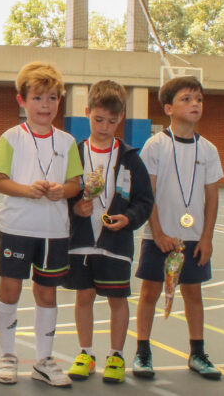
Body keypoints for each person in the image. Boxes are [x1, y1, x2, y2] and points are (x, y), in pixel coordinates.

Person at [0, 61, 83, 387]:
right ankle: (8, 355)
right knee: (10, 290)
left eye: (53, 98)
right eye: (39, 98)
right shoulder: (11, 138)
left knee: (47, 294)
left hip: (54, 232)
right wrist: (27, 190)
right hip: (17, 228)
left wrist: (62, 190)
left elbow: (75, 184)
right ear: (22, 101)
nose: (46, 105)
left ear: (60, 101)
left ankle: (43, 360)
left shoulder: (68, 142)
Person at [134, 76, 223, 380]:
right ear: (169, 108)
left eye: (198, 99)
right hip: (159, 236)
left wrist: (207, 237)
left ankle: (197, 352)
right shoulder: (155, 145)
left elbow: (211, 196)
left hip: (193, 238)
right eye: (187, 99)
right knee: (150, 293)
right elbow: (148, 194)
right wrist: (157, 232)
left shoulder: (208, 149)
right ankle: (142, 352)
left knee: (193, 294)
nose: (195, 104)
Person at [63, 80, 153, 383]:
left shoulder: (130, 158)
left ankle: (116, 355)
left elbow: (144, 200)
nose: (104, 127)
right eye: (98, 119)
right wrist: (76, 208)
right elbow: (66, 195)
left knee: (117, 299)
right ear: (87, 112)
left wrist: (128, 218)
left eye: (112, 121)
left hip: (116, 243)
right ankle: (86, 353)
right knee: (84, 297)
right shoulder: (74, 154)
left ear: (122, 118)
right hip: (82, 242)